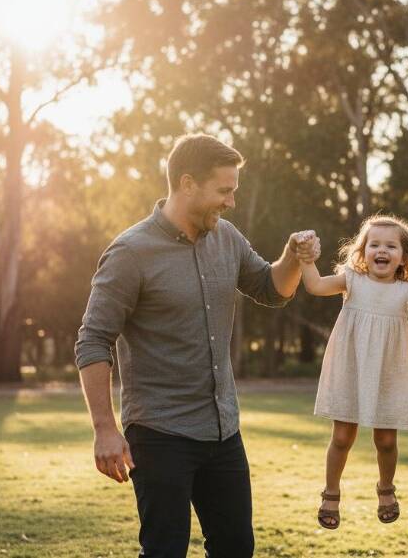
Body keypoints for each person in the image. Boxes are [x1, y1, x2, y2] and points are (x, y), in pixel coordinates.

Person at [74, 133, 318, 558]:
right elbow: (93, 340)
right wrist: (104, 429)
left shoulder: (227, 238)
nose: (231, 202)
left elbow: (271, 289)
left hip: (223, 431)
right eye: (224, 191)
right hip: (159, 432)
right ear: (187, 184)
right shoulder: (131, 253)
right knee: (165, 550)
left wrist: (293, 256)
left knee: (236, 548)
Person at [297, 215, 408, 530]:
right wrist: (306, 260)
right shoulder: (352, 280)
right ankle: (330, 493)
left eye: (391, 246)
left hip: (389, 373)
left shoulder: (407, 290)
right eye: (374, 244)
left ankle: (386, 489)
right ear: (362, 252)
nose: (382, 250)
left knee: (386, 440)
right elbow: (313, 285)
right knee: (342, 436)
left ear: (403, 256)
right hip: (350, 366)